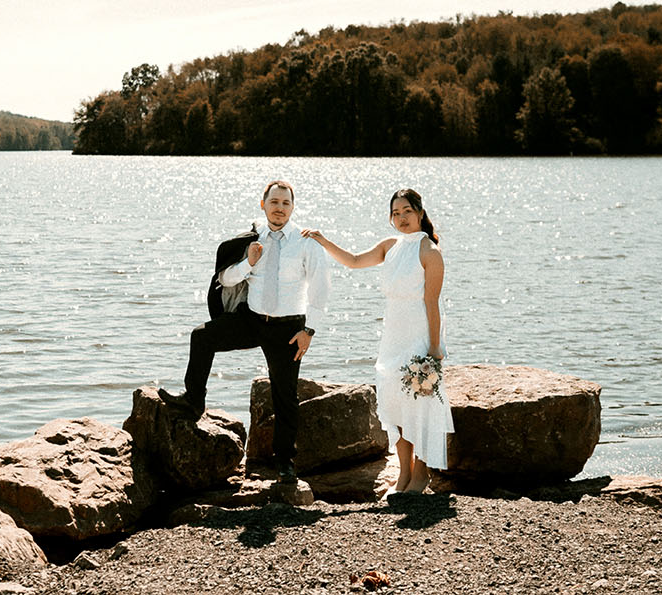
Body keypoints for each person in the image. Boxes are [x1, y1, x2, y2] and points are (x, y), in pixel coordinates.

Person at [160, 180, 332, 484]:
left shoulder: (306, 243)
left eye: (285, 203)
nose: (279, 209)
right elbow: (224, 280)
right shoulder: (249, 241)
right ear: (262, 204)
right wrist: (248, 264)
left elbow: (320, 290)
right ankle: (193, 399)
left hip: (288, 329)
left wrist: (309, 331)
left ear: (293, 207)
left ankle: (285, 463)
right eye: (274, 202)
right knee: (201, 336)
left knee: (285, 395)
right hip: (250, 320)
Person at [303, 188, 452, 495]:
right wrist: (322, 240)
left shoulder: (430, 253)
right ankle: (402, 474)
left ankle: (421, 474)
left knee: (418, 402)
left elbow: (432, 304)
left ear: (420, 213)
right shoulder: (390, 246)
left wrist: (434, 349)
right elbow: (355, 261)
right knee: (392, 399)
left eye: (407, 211)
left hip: (419, 336)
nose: (401, 218)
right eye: (395, 213)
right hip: (393, 335)